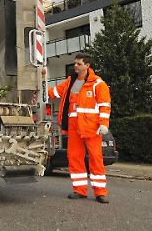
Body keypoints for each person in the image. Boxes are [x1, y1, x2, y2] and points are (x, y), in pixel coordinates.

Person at [48, 53, 111, 204]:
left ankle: (100, 192)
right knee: (74, 158)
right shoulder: (71, 81)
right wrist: (40, 88)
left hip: (91, 128)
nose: (76, 66)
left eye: (79, 64)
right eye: (75, 63)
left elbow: (104, 105)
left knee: (96, 159)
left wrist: (103, 124)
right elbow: (55, 92)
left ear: (87, 66)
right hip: (74, 127)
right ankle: (79, 190)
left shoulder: (97, 83)